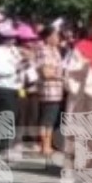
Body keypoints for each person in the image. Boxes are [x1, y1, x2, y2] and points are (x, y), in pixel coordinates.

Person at [0, 24, 24, 155]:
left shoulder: (14, 50)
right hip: (3, 86)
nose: (12, 40)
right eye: (9, 37)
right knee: (5, 114)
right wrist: (14, 69)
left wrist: (23, 64)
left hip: (15, 86)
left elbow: (19, 63)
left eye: (13, 37)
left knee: (14, 114)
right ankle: (1, 144)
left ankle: (8, 142)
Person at [35, 26, 65, 158]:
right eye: (56, 35)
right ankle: (44, 145)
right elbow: (46, 72)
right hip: (48, 90)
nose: (58, 38)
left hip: (57, 90)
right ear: (48, 37)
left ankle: (48, 143)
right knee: (47, 119)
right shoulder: (43, 50)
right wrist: (61, 75)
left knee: (51, 119)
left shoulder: (55, 51)